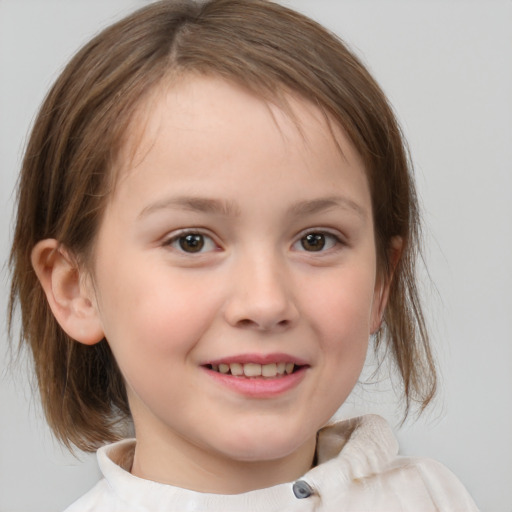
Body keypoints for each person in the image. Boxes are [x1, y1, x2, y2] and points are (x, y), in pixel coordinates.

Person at [8, 0, 479, 510]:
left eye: (315, 240)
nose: (266, 302)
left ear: (380, 284)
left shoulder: (435, 498)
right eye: (192, 241)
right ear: (75, 289)